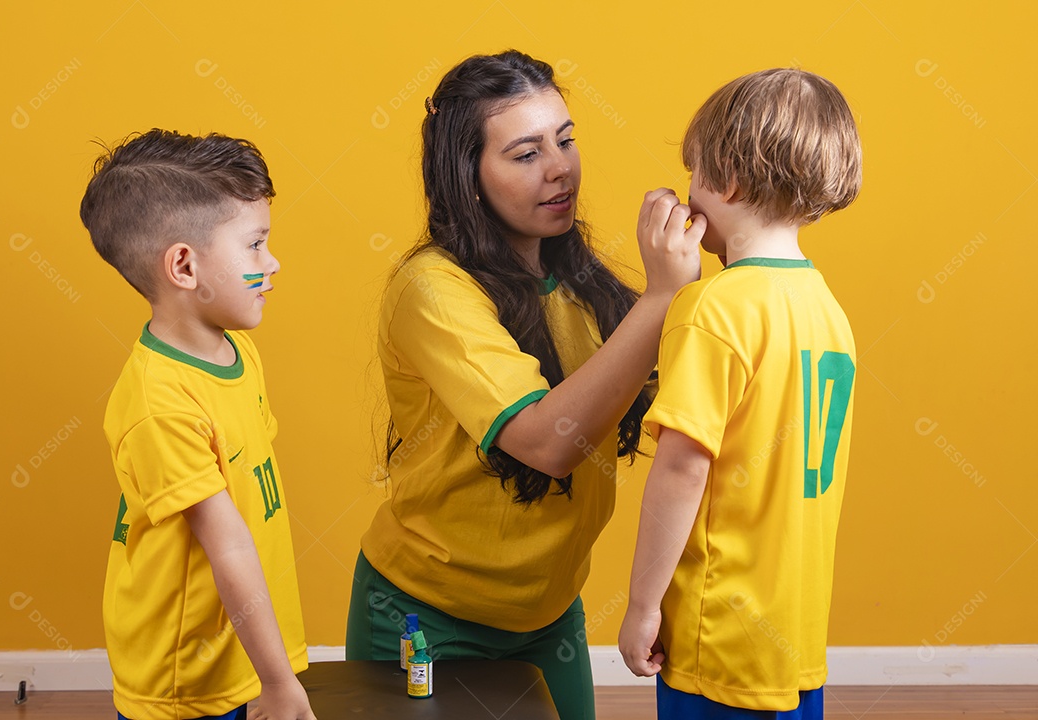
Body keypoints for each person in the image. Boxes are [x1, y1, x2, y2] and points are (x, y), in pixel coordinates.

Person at [345, 50, 705, 720]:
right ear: (468, 177)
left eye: (565, 140)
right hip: (427, 617)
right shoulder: (431, 290)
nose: (559, 167)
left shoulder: (582, 282)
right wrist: (662, 298)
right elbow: (547, 444)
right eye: (525, 153)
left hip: (547, 616)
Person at [617, 69, 863, 719]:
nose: (688, 191)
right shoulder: (827, 309)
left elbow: (681, 468)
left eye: (693, 173)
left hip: (719, 636)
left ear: (726, 181)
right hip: (794, 638)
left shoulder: (711, 307)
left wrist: (642, 606)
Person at [80, 129, 314, 720]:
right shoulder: (159, 405)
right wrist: (279, 681)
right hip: (187, 677)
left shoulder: (236, 352)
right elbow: (227, 542)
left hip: (242, 653)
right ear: (184, 266)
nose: (273, 262)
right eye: (254, 245)